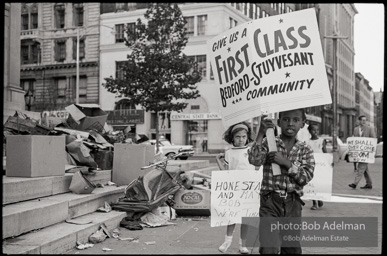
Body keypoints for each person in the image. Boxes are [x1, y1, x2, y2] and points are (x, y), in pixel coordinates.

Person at [248, 108, 315, 254]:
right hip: (270, 200)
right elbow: (254, 160)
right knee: (268, 246)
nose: (290, 123)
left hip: (293, 203)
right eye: (285, 119)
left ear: (303, 124)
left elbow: (306, 177)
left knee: (291, 247)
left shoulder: (305, 149)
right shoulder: (269, 143)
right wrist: (260, 134)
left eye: (296, 120)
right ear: (278, 122)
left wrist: (286, 163)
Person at [216, 121, 255, 254]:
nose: (241, 140)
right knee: (232, 216)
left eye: (244, 137)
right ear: (232, 138)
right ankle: (227, 241)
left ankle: (242, 245)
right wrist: (217, 160)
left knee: (246, 217)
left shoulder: (250, 151)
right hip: (234, 189)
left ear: (247, 137)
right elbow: (225, 172)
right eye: (238, 137)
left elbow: (256, 168)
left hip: (248, 189)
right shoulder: (229, 153)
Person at [349, 115, 376, 189]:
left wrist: (372, 151)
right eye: (362, 120)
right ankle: (369, 184)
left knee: (360, 167)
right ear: (359, 121)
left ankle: (354, 184)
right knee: (365, 169)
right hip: (359, 152)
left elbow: (373, 139)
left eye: (365, 120)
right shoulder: (355, 129)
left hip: (366, 152)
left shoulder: (370, 128)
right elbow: (354, 140)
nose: (364, 121)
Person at [306, 123, 327, 210]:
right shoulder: (307, 142)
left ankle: (320, 198)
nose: (316, 132)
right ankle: (314, 202)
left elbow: (325, 152)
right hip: (311, 165)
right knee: (312, 183)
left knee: (319, 182)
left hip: (320, 165)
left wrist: (329, 162)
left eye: (317, 130)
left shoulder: (321, 141)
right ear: (310, 131)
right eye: (313, 130)